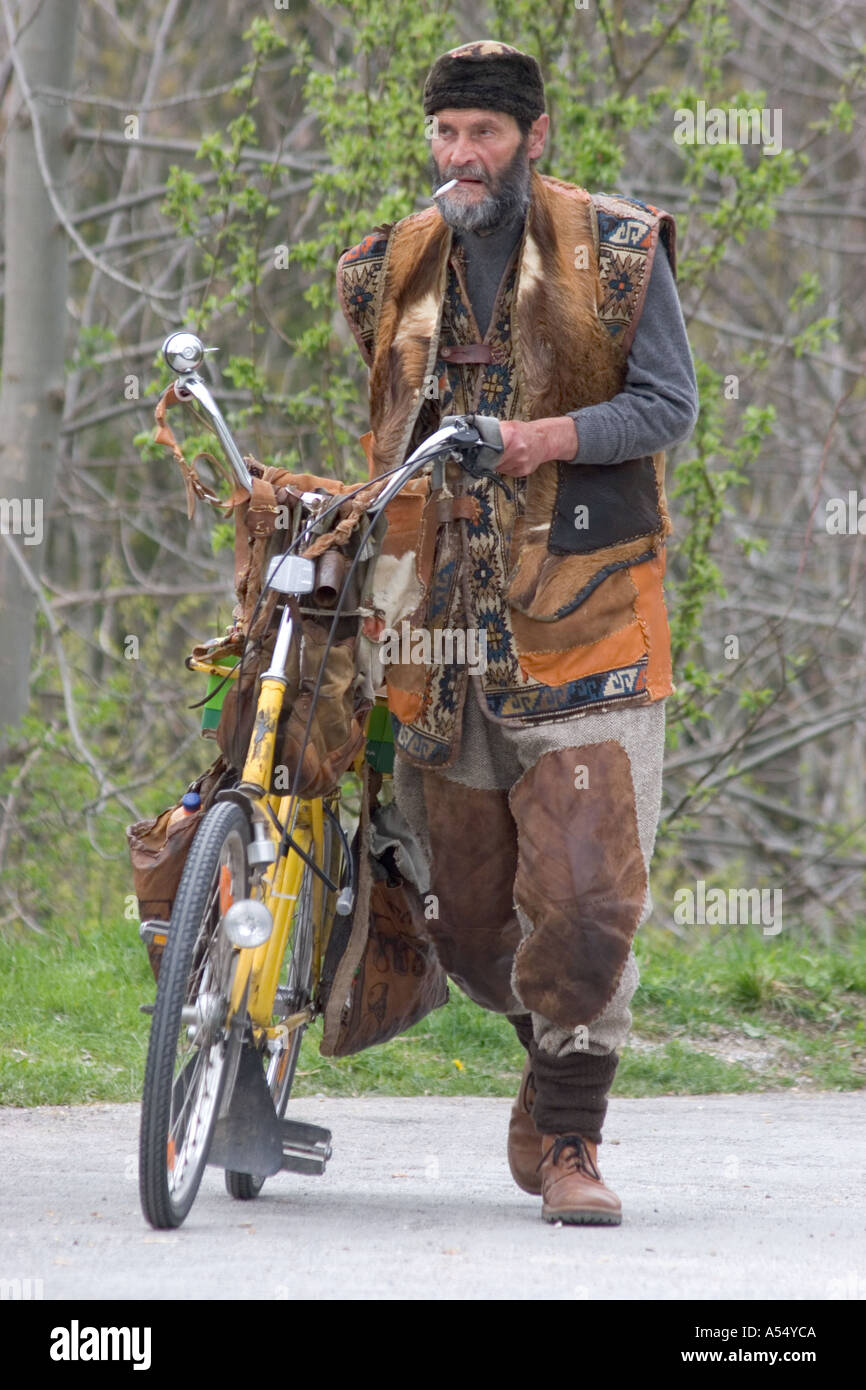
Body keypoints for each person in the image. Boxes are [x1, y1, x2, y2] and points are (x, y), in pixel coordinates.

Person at [336, 40, 699, 1225]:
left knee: (588, 905)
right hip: (439, 636)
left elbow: (668, 408)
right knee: (475, 928)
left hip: (587, 616)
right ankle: (542, 1070)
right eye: (444, 134)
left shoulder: (620, 251)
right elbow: (386, 426)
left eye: (482, 135)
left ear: (532, 137)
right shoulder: (388, 264)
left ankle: (570, 1143)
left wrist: (536, 440)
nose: (459, 157)